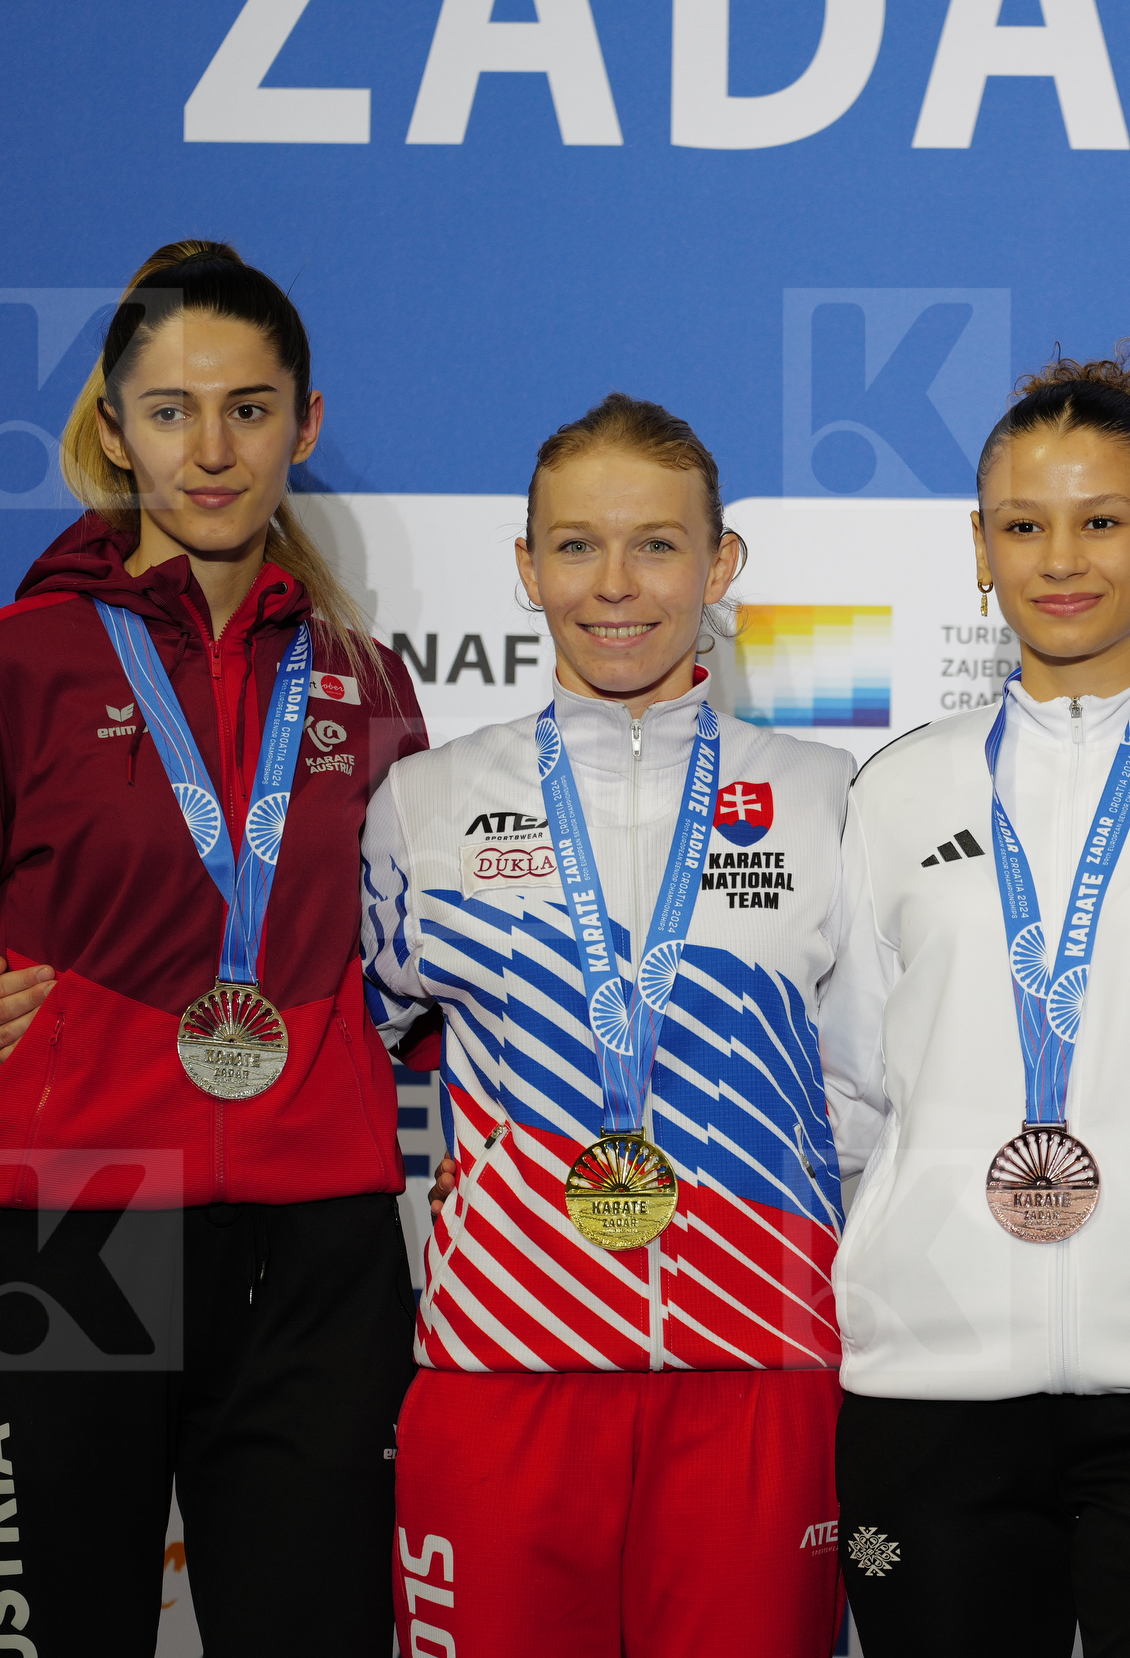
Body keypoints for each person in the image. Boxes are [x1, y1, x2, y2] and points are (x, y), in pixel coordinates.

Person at [0, 239, 428, 1654]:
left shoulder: (369, 685)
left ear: (302, 421)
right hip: (69, 1228)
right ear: (114, 429)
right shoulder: (5, 669)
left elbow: (431, 981)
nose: (211, 449)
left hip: (318, 1253)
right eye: (169, 411)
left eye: (248, 407)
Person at [822, 347, 1130, 1658]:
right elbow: (855, 1096)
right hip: (931, 1381)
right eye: (1024, 524)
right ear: (978, 547)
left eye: (1102, 519)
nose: (1063, 557)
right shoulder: (894, 791)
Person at [361, 393, 857, 1658]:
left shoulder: (829, 797)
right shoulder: (422, 802)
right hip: (499, 1372)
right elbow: (347, 1053)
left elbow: (884, 1084)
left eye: (656, 543)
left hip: (758, 1366)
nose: (615, 584)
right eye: (576, 545)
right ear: (525, 567)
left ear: (720, 563)